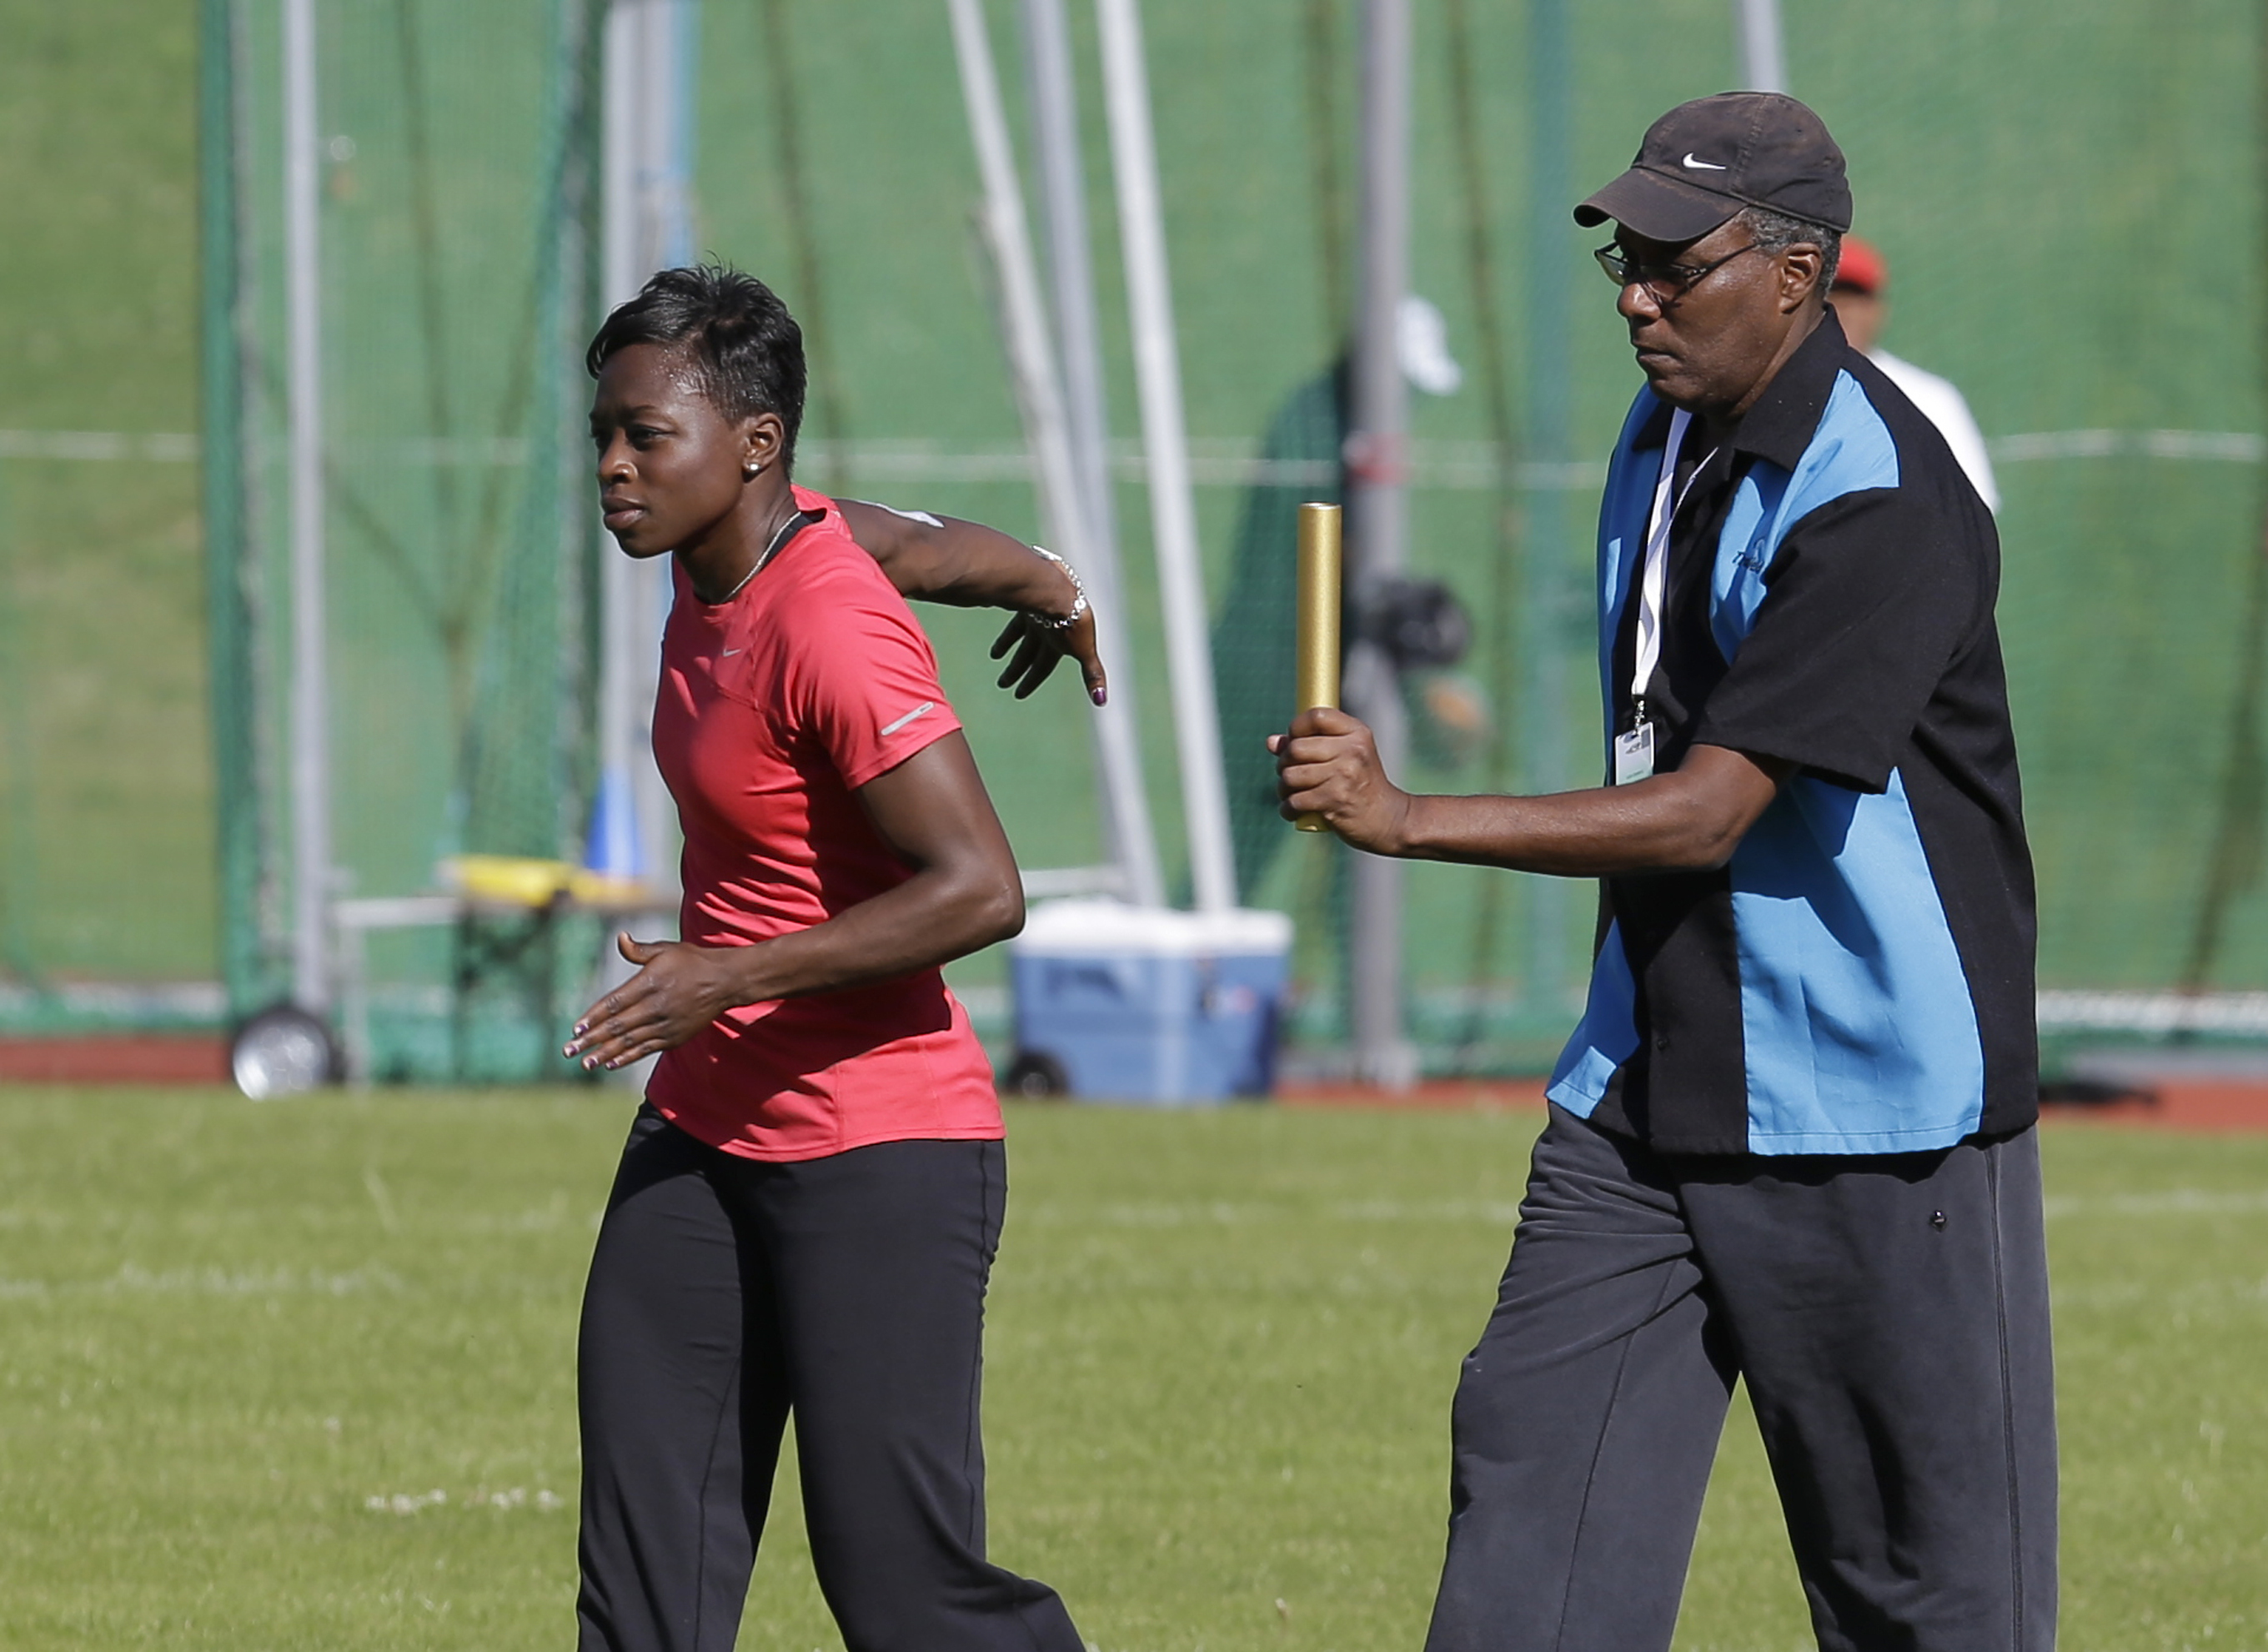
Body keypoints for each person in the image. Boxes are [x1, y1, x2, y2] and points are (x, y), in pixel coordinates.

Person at [1274, 93, 2053, 1651]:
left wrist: (1408, 815)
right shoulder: (1667, 423)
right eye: (1624, 259)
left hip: (1867, 1112)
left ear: (1797, 270)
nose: (1636, 294)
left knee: (1921, 1597)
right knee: (1528, 1538)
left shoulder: (1883, 496)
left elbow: (1709, 813)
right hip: (1640, 1090)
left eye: (1673, 264)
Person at [562, 264, 1089, 1652]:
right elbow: (921, 539)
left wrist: (721, 975)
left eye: (643, 437)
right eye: (602, 432)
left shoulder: (829, 625)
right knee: (643, 1588)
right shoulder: (730, 541)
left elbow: (982, 889)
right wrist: (1047, 583)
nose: (612, 464)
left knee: (904, 1597)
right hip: (703, 1137)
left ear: (754, 446)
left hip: (881, 1153)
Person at [1831, 233, 2000, 511]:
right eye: (1831, 294)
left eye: (1855, 296)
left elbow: (1973, 505)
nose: (1844, 309)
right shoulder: (1777, 390)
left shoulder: (1929, 398)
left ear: (1878, 310)